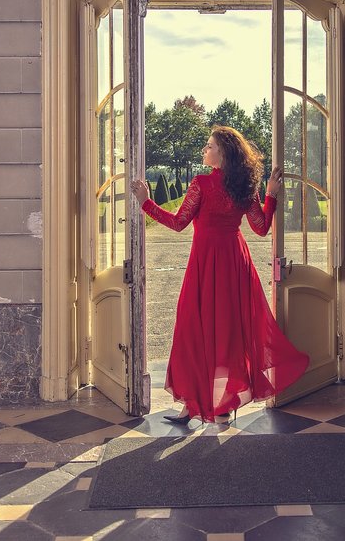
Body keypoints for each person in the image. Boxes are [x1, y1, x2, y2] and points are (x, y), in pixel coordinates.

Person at [130, 125, 309, 424]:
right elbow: (261, 227)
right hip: (235, 263)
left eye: (209, 146)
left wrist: (146, 202)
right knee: (228, 333)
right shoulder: (243, 187)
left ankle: (199, 404)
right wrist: (270, 196)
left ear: (223, 153)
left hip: (208, 263)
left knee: (193, 329)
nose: (205, 150)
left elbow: (178, 224)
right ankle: (212, 405)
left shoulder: (202, 183)